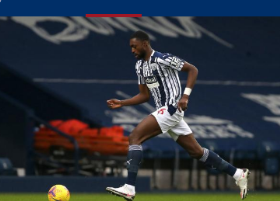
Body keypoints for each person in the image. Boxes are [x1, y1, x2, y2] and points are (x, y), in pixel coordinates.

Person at [106, 30, 250, 200]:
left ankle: (129, 188)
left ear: (144, 44)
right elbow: (144, 96)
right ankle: (237, 174)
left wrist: (186, 95)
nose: (132, 50)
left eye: (134, 46)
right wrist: (122, 102)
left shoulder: (163, 58)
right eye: (130, 47)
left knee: (134, 137)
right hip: (165, 112)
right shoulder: (139, 66)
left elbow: (192, 69)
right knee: (197, 152)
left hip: (171, 108)